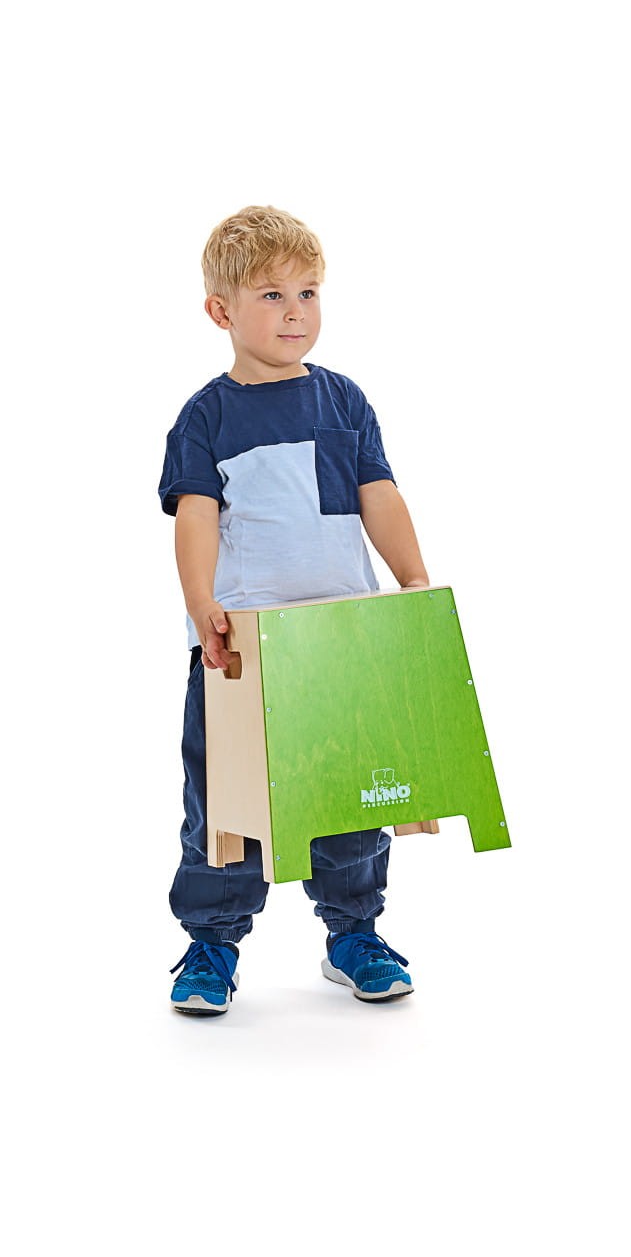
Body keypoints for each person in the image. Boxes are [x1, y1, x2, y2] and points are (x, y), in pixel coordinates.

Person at [158, 205, 430, 1015]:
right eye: (271, 295)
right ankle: (211, 942)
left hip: (341, 641)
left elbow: (379, 495)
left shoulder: (343, 400)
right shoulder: (207, 416)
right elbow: (196, 515)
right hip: (241, 646)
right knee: (225, 801)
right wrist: (202, 604)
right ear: (221, 311)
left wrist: (413, 578)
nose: (295, 312)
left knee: (352, 791)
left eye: (307, 293)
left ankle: (355, 931)